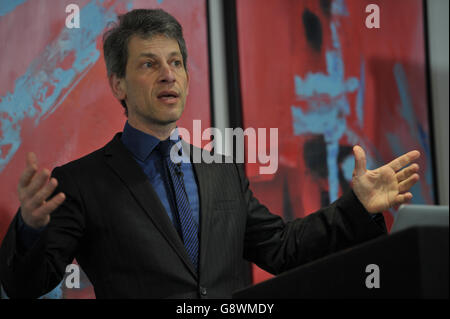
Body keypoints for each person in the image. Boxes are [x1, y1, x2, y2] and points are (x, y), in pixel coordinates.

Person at [0, 9, 420, 299]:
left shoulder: (222, 171)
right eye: (148, 64)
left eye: (176, 62)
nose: (168, 74)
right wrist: (32, 229)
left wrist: (357, 205)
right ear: (118, 85)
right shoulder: (81, 182)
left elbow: (282, 248)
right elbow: (24, 285)